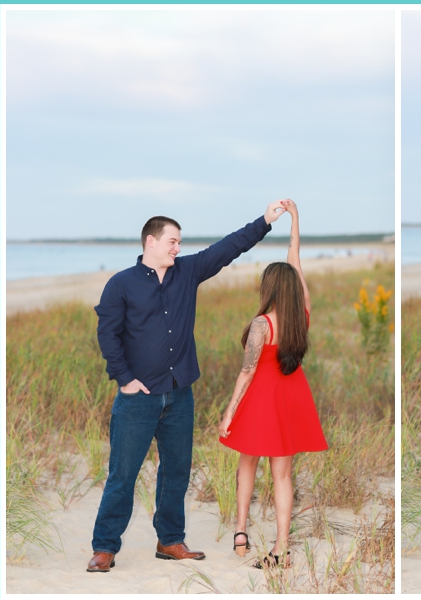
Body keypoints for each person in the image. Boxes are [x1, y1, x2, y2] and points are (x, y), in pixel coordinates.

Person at [88, 201, 286, 573]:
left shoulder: (188, 272)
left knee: (177, 471)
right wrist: (125, 380)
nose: (178, 248)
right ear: (151, 241)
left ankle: (170, 541)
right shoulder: (121, 284)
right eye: (173, 241)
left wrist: (264, 222)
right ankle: (104, 548)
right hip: (138, 398)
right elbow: (108, 334)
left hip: (180, 394)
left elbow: (228, 248)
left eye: (179, 243)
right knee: (122, 474)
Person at [218, 199, 328, 568]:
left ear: (269, 288)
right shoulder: (303, 314)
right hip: (293, 398)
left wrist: (229, 413)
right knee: (283, 474)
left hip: (262, 400)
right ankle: (282, 547)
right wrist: (296, 219)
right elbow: (295, 259)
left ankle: (240, 531)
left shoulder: (262, 324)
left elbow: (246, 372)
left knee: (247, 462)